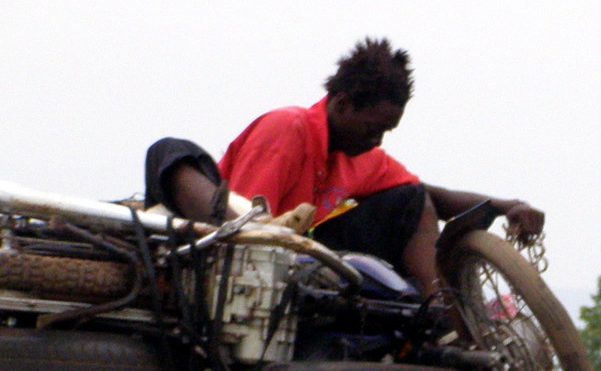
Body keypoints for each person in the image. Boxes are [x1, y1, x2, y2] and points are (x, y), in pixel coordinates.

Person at [144, 38, 543, 295]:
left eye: (387, 132)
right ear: (342, 104)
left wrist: (506, 205)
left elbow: (431, 197)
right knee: (170, 151)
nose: (378, 141)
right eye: (374, 128)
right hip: (241, 250)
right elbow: (246, 227)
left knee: (413, 201)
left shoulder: (359, 155)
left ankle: (438, 311)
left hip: (306, 257)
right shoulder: (289, 130)